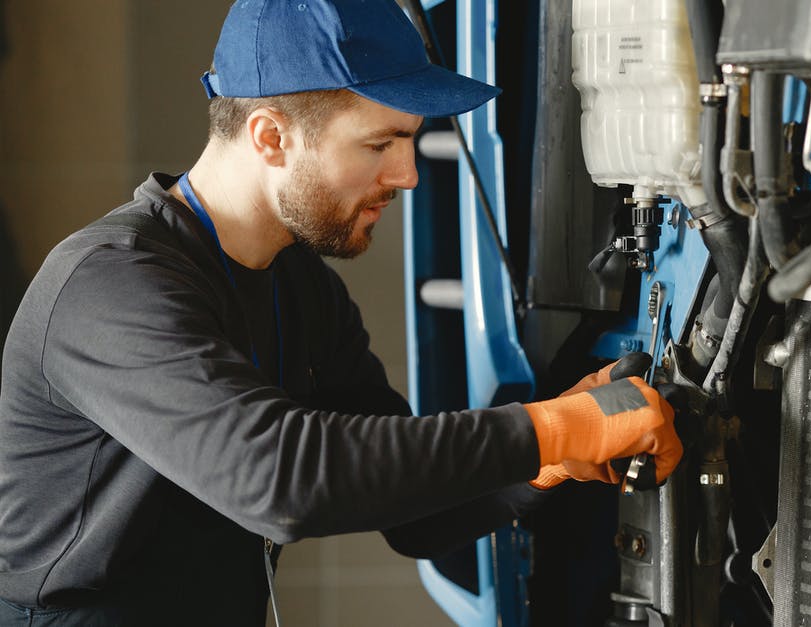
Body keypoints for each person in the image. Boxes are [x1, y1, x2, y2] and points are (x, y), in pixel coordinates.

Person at [0, 0, 683, 624]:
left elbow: (412, 510)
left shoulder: (297, 283)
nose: (409, 174)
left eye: (411, 141)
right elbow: (280, 478)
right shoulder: (108, 284)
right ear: (270, 137)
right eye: (380, 143)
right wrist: (551, 428)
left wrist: (548, 462)